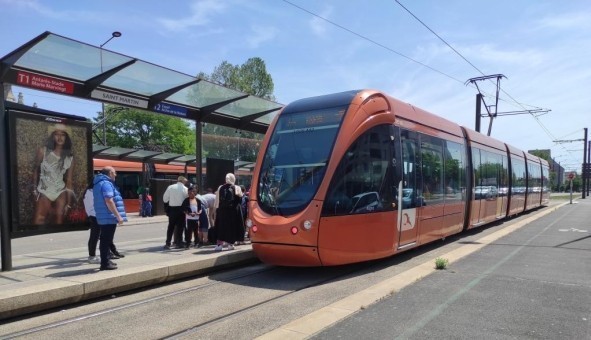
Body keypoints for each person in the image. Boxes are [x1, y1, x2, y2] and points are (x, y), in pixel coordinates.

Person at [32, 123, 75, 225]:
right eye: (57, 134)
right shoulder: (43, 151)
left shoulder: (70, 158)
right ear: (53, 136)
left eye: (63, 135)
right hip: (44, 190)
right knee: (38, 219)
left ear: (66, 137)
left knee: (59, 220)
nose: (60, 137)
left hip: (60, 191)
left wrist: (68, 204)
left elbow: (69, 180)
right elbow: (36, 170)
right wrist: (34, 189)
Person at [93, 166, 127, 271]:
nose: (116, 175)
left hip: (103, 216)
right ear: (110, 173)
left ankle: (107, 260)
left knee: (105, 240)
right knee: (106, 240)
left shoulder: (98, 183)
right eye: (114, 172)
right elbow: (109, 201)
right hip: (108, 216)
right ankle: (105, 263)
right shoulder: (107, 184)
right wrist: (118, 216)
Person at [83, 181, 124, 264]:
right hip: (96, 215)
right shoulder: (92, 192)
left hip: (94, 215)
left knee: (100, 236)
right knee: (97, 236)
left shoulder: (88, 192)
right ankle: (94, 256)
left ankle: (107, 253)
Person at [213, 173, 243, 251]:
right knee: (231, 227)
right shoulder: (237, 187)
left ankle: (219, 245)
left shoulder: (220, 187)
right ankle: (230, 244)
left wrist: (216, 210)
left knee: (221, 227)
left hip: (222, 211)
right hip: (233, 212)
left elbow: (217, 201)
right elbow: (240, 200)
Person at [163, 176, 188, 249]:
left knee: (171, 226)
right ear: (183, 181)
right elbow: (187, 199)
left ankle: (168, 243)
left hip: (172, 209)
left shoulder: (170, 187)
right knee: (180, 227)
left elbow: (165, 199)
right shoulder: (185, 189)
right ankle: (179, 242)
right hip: (181, 210)